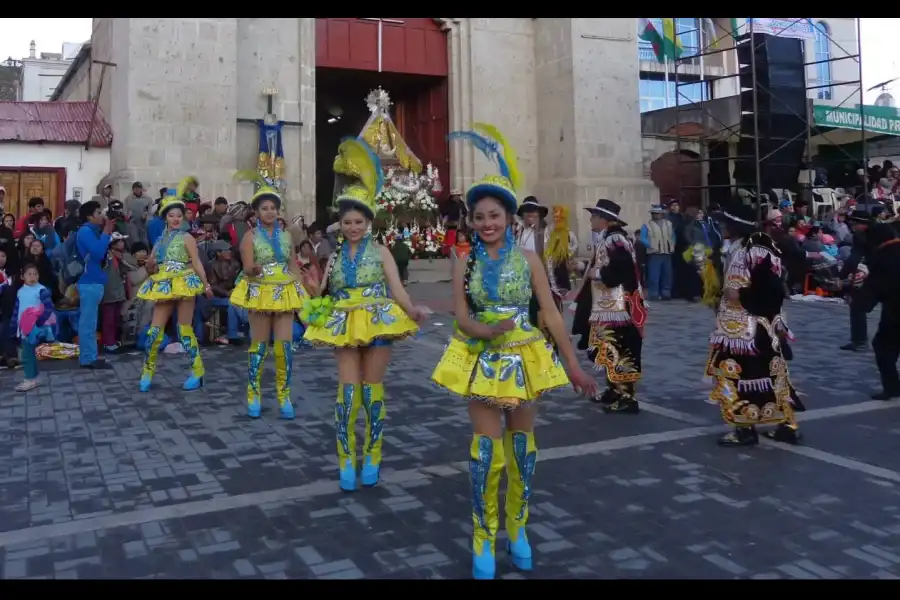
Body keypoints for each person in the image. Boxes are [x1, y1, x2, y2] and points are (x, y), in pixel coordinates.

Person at [431, 124, 595, 580]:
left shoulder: (529, 261)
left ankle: (518, 529)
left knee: (522, 450)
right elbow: (461, 317)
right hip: (482, 358)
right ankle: (483, 536)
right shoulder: (464, 261)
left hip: (526, 358)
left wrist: (574, 368)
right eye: (479, 216)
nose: (486, 224)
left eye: (494, 215)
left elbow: (552, 315)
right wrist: (488, 328)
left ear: (509, 218)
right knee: (487, 452)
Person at [303, 138, 429, 493]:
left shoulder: (382, 252)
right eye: (347, 222)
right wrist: (312, 289)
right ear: (340, 224)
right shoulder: (335, 257)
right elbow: (323, 294)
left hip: (378, 320)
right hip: (344, 322)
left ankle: (372, 455)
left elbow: (397, 289)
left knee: (372, 391)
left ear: (368, 222)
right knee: (347, 393)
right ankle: (346, 459)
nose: (352, 227)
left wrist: (413, 308)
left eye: (358, 221)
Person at [706, 203, 804, 446]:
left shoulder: (757, 249)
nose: (722, 228)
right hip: (738, 327)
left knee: (739, 374)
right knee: (767, 375)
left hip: (750, 329)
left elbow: (772, 291)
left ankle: (746, 428)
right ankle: (785, 426)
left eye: (724, 223)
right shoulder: (738, 248)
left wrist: (741, 296)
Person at [230, 172, 314, 419]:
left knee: (284, 348)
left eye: (273, 208)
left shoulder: (287, 236)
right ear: (255, 212)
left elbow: (292, 266)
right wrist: (253, 269)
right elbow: (246, 266)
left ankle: (283, 395)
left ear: (278, 211)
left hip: (285, 291)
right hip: (260, 291)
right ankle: (253, 393)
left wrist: (305, 292)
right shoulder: (250, 237)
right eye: (264, 208)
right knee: (258, 347)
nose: (269, 212)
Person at [571, 199, 647, 414]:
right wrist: (584, 267)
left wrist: (599, 274)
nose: (590, 219)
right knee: (608, 348)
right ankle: (614, 388)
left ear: (604, 219)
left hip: (619, 308)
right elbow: (603, 267)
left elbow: (621, 271)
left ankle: (627, 396)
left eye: (594, 216)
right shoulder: (607, 239)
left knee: (620, 349)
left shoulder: (616, 240)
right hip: (606, 306)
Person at [136, 189, 214, 392]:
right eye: (171, 215)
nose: (176, 219)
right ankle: (147, 371)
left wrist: (206, 285)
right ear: (165, 218)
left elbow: (196, 263)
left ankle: (197, 371)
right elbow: (151, 267)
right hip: (164, 283)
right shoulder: (160, 240)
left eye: (179, 215)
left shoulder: (187, 237)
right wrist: (150, 264)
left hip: (184, 282)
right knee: (154, 331)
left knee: (184, 328)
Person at [76, 200, 116, 370]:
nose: (101, 216)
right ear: (89, 216)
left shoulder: (93, 231)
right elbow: (98, 252)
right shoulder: (85, 231)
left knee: (91, 321)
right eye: (98, 213)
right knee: (88, 321)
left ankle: (90, 355)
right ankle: (87, 358)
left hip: (94, 281)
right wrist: (106, 233)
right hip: (88, 281)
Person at [10, 263, 57, 391]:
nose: (32, 277)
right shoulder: (20, 291)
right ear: (22, 276)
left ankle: (30, 379)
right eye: (29, 274)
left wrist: (39, 323)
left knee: (27, 354)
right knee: (28, 353)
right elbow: (16, 310)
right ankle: (34, 377)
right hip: (23, 328)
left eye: (35, 274)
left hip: (35, 328)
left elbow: (49, 308)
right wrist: (14, 327)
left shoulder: (41, 290)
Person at [639, 205, 675, 301]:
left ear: (662, 214)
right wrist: (650, 245)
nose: (656, 215)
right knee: (653, 275)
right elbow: (642, 238)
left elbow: (673, 236)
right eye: (654, 213)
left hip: (666, 252)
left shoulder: (668, 224)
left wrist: (672, 245)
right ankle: (654, 293)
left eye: (658, 213)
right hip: (654, 253)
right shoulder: (646, 225)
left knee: (667, 274)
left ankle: (666, 292)